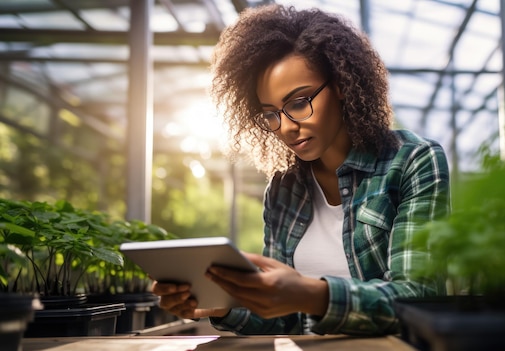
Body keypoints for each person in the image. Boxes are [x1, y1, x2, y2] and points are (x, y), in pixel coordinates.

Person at [152, 4, 450, 336]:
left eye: (298, 103)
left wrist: (311, 294)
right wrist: (224, 306)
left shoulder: (412, 161)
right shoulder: (283, 190)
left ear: (341, 84)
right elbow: (284, 320)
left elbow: (418, 297)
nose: (286, 128)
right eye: (270, 113)